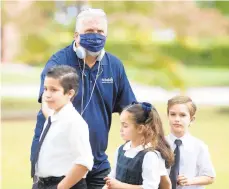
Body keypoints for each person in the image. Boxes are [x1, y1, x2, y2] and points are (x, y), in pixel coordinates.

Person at [31, 8, 136, 189]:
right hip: (60, 161)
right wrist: (70, 126)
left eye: (100, 32)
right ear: (76, 35)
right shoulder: (59, 62)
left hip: (97, 161)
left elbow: (131, 109)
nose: (95, 36)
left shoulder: (114, 66)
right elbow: (47, 105)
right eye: (89, 32)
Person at [31, 65, 94, 189]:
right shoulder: (53, 115)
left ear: (70, 93)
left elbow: (84, 162)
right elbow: (45, 106)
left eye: (53, 90)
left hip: (63, 184)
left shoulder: (74, 122)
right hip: (42, 183)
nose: (47, 94)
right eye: (45, 89)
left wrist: (59, 187)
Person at [103, 102, 173, 189]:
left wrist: (120, 186)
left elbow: (150, 187)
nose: (121, 129)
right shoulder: (121, 150)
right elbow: (113, 177)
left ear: (140, 129)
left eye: (125, 126)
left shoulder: (150, 156)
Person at [166, 95, 216, 189]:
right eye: (173, 114)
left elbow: (210, 176)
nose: (177, 119)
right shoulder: (159, 144)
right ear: (168, 116)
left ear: (191, 120)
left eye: (182, 115)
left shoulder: (199, 146)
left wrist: (190, 181)